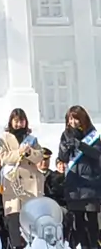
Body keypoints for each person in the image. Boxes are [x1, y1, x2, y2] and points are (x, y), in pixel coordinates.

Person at [0, 107, 44, 249]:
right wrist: (19, 152)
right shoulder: (4, 137)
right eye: (16, 121)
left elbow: (39, 156)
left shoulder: (31, 139)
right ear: (11, 122)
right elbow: (4, 157)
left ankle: (31, 244)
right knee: (13, 216)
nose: (18, 124)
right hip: (12, 182)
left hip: (29, 184)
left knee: (29, 217)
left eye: (21, 121)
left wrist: (29, 152)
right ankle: (16, 245)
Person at [58, 105, 101, 249]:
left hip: (90, 185)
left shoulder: (93, 134)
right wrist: (66, 148)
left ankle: (94, 246)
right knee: (78, 223)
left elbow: (96, 154)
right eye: (70, 119)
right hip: (74, 185)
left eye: (76, 119)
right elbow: (62, 158)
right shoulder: (65, 135)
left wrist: (80, 145)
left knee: (92, 221)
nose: (73, 122)